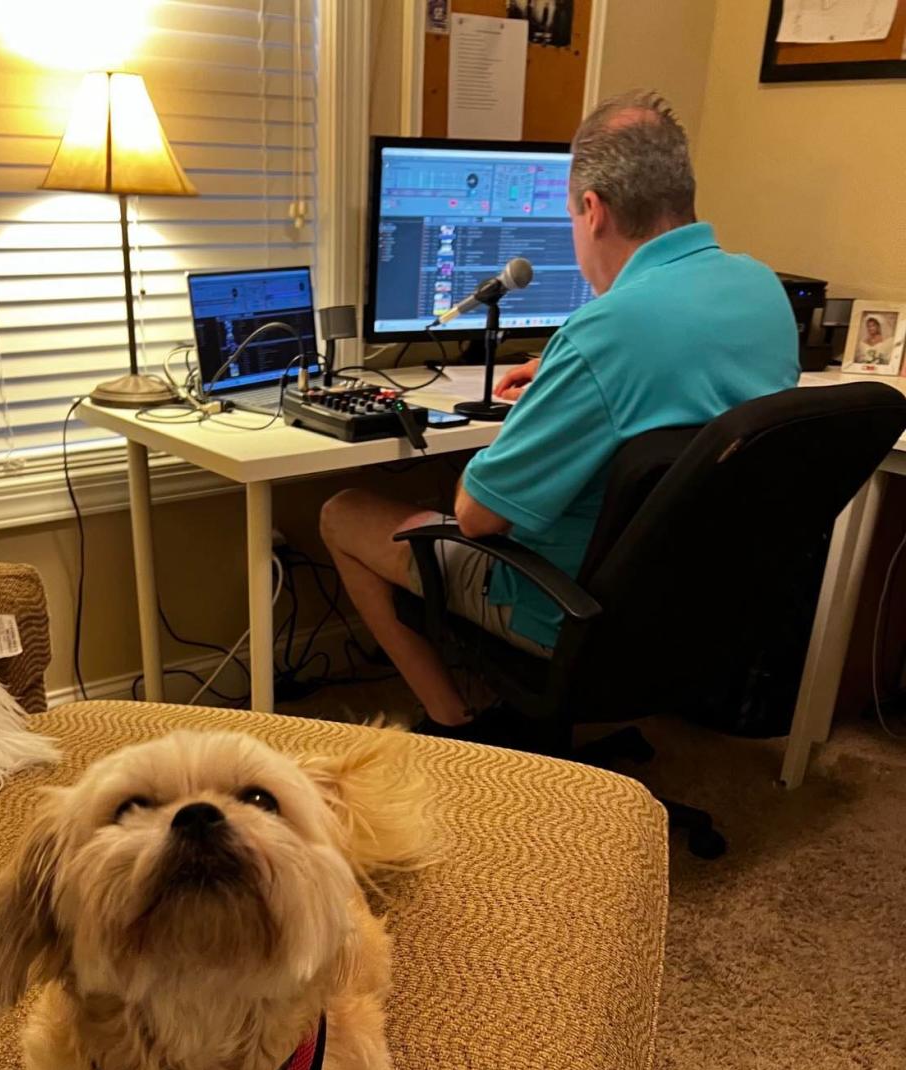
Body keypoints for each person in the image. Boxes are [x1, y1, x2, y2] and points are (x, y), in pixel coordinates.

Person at [320, 90, 800, 740]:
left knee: (344, 511)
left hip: (565, 611)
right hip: (692, 609)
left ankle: (455, 727)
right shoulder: (760, 290)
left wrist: (563, 380)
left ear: (594, 211)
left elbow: (477, 518)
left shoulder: (604, 334)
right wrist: (561, 374)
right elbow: (677, 386)